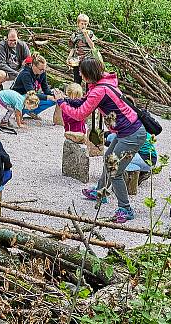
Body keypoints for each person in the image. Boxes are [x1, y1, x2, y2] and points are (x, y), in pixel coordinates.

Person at [58, 58, 148, 223]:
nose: (79, 73)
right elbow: (86, 100)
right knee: (109, 159)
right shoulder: (103, 81)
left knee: (115, 171)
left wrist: (61, 104)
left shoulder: (100, 90)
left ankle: (126, 209)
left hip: (132, 134)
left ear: (87, 74)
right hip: (126, 131)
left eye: (81, 71)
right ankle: (100, 192)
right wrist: (67, 100)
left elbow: (80, 114)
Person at [11, 54, 57, 119]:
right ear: (34, 66)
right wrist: (48, 97)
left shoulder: (42, 72)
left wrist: (54, 96)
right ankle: (19, 112)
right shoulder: (25, 74)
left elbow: (46, 89)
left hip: (30, 95)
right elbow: (31, 93)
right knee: (34, 98)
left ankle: (32, 112)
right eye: (41, 69)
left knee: (54, 100)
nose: (43, 71)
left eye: (44, 69)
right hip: (20, 97)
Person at [0, 29, 31, 93]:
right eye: (10, 40)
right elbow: (1, 64)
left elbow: (29, 59)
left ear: (18, 38)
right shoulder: (1, 46)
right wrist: (16, 73)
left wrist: (24, 66)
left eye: (14, 40)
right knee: (0, 75)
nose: (13, 42)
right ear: (7, 39)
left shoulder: (23, 45)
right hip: (4, 70)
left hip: (19, 69)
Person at [66, 14, 98, 83]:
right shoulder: (74, 35)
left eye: (85, 24)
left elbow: (92, 46)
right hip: (77, 60)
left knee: (88, 79)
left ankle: (88, 93)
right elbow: (72, 48)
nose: (83, 26)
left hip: (88, 59)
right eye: (82, 24)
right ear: (78, 24)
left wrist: (86, 35)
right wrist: (69, 58)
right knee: (77, 79)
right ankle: (77, 92)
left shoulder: (90, 33)